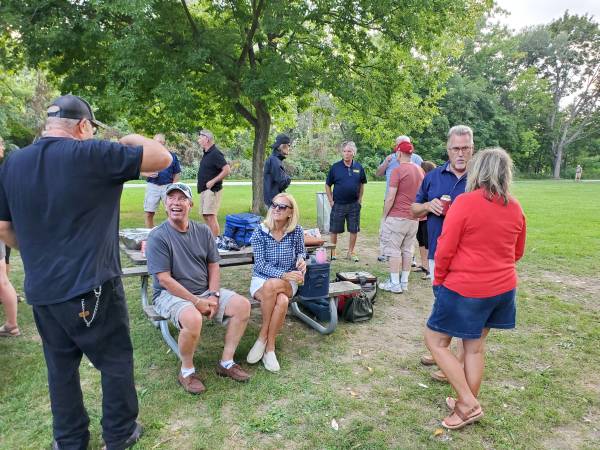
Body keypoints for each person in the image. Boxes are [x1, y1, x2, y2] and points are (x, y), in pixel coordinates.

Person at [0, 94, 172, 449]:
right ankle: (120, 432)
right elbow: (161, 157)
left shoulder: (13, 163)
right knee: (114, 361)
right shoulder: (92, 154)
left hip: (43, 291)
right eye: (90, 128)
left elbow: (3, 227)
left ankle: (69, 440)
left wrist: (37, 251)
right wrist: (123, 139)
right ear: (82, 126)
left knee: (60, 368)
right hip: (91, 286)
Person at [424, 148, 526, 430]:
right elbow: (517, 251)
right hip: (503, 289)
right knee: (475, 348)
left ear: (477, 171)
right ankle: (464, 403)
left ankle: (468, 403)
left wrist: (439, 280)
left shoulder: (466, 203)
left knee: (435, 341)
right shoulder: (515, 206)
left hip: (467, 288)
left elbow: (445, 247)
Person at [146, 182, 251, 393]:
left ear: (191, 204)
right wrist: (196, 302)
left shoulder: (203, 231)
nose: (176, 203)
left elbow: (213, 265)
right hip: (169, 295)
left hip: (203, 291)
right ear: (165, 205)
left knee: (242, 306)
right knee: (192, 317)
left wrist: (213, 294)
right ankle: (186, 371)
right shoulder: (158, 237)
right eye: (171, 199)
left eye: (182, 198)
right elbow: (164, 280)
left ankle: (226, 363)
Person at [411, 125, 475, 381]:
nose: (460, 153)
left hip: (470, 254)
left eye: (465, 148)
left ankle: (456, 361)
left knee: (464, 307)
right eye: (456, 148)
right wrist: (428, 205)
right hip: (438, 251)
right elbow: (414, 209)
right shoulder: (433, 177)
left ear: (472, 149)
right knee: (443, 301)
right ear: (448, 150)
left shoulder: (480, 180)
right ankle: (443, 350)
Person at [247, 193, 306, 372]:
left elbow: (302, 252)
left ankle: (262, 337)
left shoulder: (296, 231)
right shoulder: (260, 231)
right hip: (262, 279)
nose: (276, 209)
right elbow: (260, 264)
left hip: (288, 281)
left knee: (275, 286)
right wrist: (284, 274)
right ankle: (269, 348)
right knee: (282, 300)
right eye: (274, 205)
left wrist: (302, 261)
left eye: (282, 207)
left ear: (290, 212)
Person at [378, 141, 424, 293]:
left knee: (393, 249)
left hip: (397, 217)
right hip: (413, 218)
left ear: (398, 153)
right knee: (407, 249)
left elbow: (390, 197)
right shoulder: (420, 170)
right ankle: (404, 282)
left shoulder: (398, 171)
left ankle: (394, 283)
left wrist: (384, 217)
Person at [325, 141, 367, 262]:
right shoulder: (335, 167)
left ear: (354, 153)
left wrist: (359, 200)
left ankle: (351, 252)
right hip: (338, 204)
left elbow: (361, 184)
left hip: (354, 204)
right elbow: (327, 185)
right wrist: (331, 201)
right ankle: (333, 251)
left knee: (354, 229)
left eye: (349, 151)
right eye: (344, 151)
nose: (346, 154)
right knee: (334, 229)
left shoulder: (359, 167)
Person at [142, 133, 181, 228]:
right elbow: (140, 170)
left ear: (164, 143)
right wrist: (148, 174)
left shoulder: (172, 156)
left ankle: (173, 234)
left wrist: (173, 186)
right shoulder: (148, 155)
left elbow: (177, 173)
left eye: (159, 142)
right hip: (152, 186)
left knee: (171, 212)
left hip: (167, 187)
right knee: (149, 213)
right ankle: (150, 236)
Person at [196, 129, 230, 236]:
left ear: (206, 139)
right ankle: (211, 239)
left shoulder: (215, 153)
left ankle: (216, 242)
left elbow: (227, 170)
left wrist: (213, 181)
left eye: (200, 137)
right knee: (205, 215)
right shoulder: (207, 153)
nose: (198, 140)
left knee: (210, 215)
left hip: (212, 190)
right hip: (204, 190)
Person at [416, 161, 437, 279]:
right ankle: (424, 265)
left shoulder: (431, 182)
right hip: (420, 217)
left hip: (426, 218)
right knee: (421, 241)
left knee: (428, 243)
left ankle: (430, 269)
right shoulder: (422, 182)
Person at [263, 134, 292, 208]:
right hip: (274, 203)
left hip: (274, 201)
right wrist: (288, 178)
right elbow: (283, 182)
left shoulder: (276, 160)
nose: (289, 148)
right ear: (282, 146)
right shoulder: (274, 160)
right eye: (288, 145)